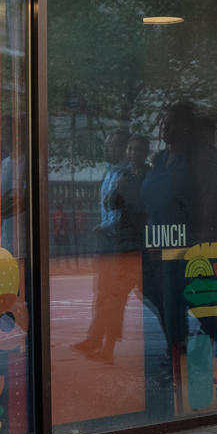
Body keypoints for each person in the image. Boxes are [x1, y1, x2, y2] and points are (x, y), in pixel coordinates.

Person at [75, 130, 150, 362]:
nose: (107, 149)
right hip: (113, 240)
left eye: (113, 146)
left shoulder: (129, 175)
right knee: (107, 294)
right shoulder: (114, 173)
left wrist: (108, 227)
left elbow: (125, 210)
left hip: (124, 244)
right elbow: (110, 204)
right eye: (107, 145)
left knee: (118, 295)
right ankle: (99, 340)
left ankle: (103, 343)